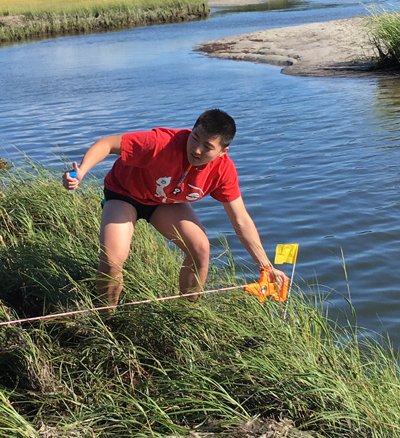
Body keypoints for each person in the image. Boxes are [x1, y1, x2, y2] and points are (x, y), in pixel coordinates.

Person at [62, 109, 288, 307]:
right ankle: (107, 318)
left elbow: (241, 220)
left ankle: (185, 312)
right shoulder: (161, 142)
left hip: (163, 203)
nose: (197, 150)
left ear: (222, 151)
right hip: (124, 195)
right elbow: (107, 144)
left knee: (200, 248)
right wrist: (81, 171)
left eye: (207, 147)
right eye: (194, 138)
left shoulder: (223, 171)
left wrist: (265, 266)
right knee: (112, 260)